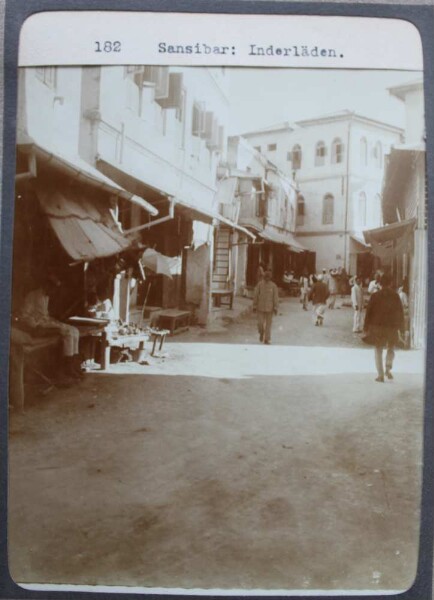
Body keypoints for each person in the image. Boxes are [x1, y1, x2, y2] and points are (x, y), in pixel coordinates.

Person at [20, 276, 82, 379]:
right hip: (38, 326)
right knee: (67, 332)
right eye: (52, 288)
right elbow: (24, 315)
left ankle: (74, 364)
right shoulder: (33, 295)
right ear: (47, 285)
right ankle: (68, 367)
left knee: (75, 330)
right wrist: (36, 326)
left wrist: (54, 320)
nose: (53, 292)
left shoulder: (46, 296)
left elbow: (45, 314)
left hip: (47, 322)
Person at [364, 273, 405, 382]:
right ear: (391, 283)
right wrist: (402, 328)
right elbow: (400, 313)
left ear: (380, 283)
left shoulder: (375, 296)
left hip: (377, 327)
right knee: (391, 347)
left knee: (378, 349)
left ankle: (380, 375)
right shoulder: (395, 296)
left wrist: (366, 327)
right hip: (391, 327)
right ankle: (388, 367)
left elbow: (369, 313)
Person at [253, 269, 279, 344]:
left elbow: (275, 298)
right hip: (260, 308)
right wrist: (254, 306)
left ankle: (267, 339)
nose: (267, 279)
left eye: (268, 277)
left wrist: (276, 307)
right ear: (264, 277)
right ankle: (261, 333)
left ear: (270, 278)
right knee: (260, 323)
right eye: (265, 277)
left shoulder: (273, 286)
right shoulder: (259, 285)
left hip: (270, 308)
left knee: (268, 325)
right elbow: (256, 295)